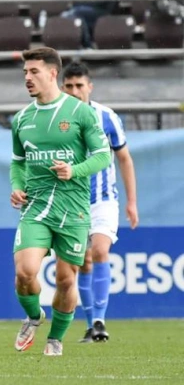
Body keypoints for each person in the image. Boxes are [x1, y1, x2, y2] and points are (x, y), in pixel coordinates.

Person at [10, 47, 111, 356]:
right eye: (25, 72)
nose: (27, 78)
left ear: (52, 73)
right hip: (36, 206)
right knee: (25, 272)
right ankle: (33, 316)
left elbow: (103, 156)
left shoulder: (81, 112)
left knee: (66, 280)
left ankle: (55, 339)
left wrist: (74, 170)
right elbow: (17, 162)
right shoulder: (21, 118)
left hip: (73, 208)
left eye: (34, 71)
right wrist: (17, 187)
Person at [61, 62, 139, 343]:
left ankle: (99, 321)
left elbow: (124, 158)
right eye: (69, 86)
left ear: (89, 87)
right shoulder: (56, 120)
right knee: (83, 262)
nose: (74, 91)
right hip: (72, 201)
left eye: (79, 85)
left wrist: (132, 202)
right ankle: (89, 324)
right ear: (62, 88)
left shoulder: (106, 117)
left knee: (100, 251)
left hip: (103, 199)